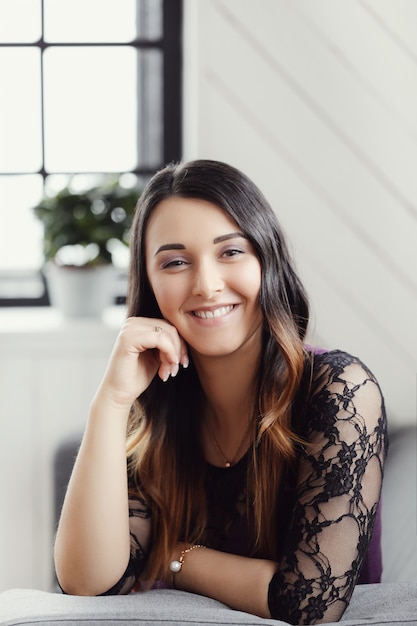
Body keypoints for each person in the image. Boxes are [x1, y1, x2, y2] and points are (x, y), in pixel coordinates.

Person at [54, 159, 388, 625]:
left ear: (266, 260)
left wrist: (174, 557)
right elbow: (88, 581)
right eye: (174, 262)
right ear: (149, 285)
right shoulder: (155, 407)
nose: (207, 285)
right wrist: (110, 402)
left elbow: (309, 604)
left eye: (230, 252)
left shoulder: (339, 389)